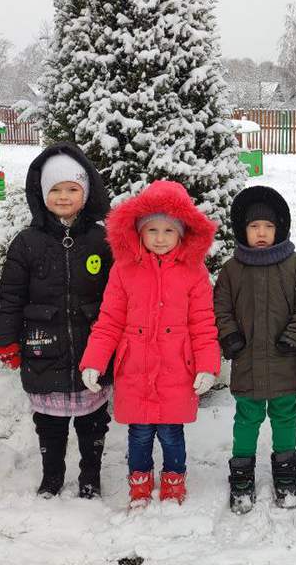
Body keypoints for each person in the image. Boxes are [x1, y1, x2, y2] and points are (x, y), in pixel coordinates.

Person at [79, 180, 221, 507]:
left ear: (183, 233)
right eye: (152, 229)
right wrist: (94, 360)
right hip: (136, 371)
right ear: (139, 231)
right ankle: (140, 485)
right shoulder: (124, 270)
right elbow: (109, 320)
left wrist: (207, 366)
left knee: (172, 435)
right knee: (140, 435)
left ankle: (173, 483)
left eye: (169, 230)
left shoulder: (194, 271)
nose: (160, 238)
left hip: (176, 371)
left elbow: (203, 324)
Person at [0, 143, 114, 498]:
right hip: (42, 347)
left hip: (92, 346)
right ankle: (52, 474)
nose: (64, 196)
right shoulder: (26, 243)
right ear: (42, 193)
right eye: (55, 189)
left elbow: (116, 296)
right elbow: (11, 296)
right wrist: (6, 340)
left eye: (72, 189)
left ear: (86, 192)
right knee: (49, 422)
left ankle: (90, 473)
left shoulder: (101, 240)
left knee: (93, 420)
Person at [214, 185, 296, 513]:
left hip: (284, 357)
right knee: (247, 416)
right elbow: (220, 307)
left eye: (268, 227)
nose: (261, 233)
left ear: (280, 229)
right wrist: (230, 336)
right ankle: (242, 473)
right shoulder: (232, 270)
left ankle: (285, 470)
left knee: (285, 414)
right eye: (254, 227)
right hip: (247, 358)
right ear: (243, 230)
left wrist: (294, 336)